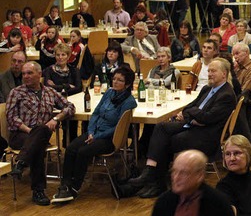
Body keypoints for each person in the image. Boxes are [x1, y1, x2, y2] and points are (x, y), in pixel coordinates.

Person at [127, 58, 236, 198]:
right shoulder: (207, 88)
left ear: (224, 74)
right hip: (194, 126)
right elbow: (190, 107)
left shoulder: (226, 95)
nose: (209, 74)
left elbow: (206, 118)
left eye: (213, 71)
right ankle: (150, 171)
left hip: (206, 136)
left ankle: (156, 182)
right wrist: (194, 116)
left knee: (167, 141)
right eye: (208, 71)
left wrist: (194, 115)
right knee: (161, 127)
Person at [51, 66, 137, 203]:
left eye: (119, 80)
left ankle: (74, 188)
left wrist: (96, 136)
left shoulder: (129, 102)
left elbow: (118, 127)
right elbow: (96, 113)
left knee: (83, 152)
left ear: (127, 84)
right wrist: (91, 132)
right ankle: (65, 185)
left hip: (109, 138)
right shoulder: (109, 93)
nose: (115, 82)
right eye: (114, 79)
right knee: (71, 148)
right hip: (94, 132)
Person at [7, 61, 76, 205]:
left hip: (41, 134)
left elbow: (70, 106)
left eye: (30, 73)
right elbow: (11, 118)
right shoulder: (16, 92)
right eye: (24, 73)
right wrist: (30, 130)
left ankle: (21, 163)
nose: (26, 76)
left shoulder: (50, 92)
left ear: (39, 74)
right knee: (38, 141)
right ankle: (38, 191)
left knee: (40, 134)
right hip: (19, 134)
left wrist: (56, 119)